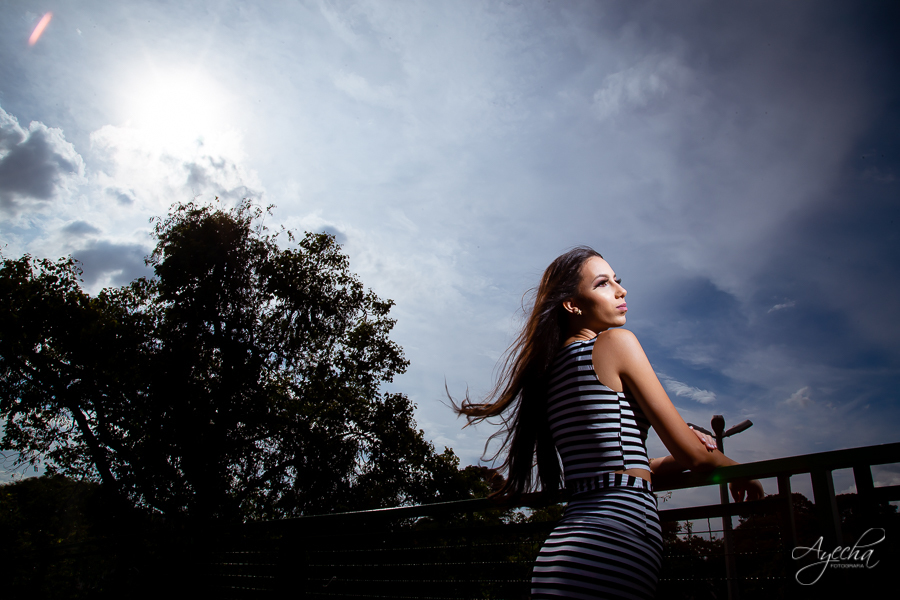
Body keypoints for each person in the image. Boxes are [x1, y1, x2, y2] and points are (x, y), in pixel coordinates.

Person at [453, 246, 764, 600]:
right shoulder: (616, 343)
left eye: (617, 280)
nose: (621, 290)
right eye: (603, 283)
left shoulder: (551, 371)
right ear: (572, 304)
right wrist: (739, 470)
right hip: (614, 542)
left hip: (564, 554)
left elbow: (618, 467)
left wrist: (685, 451)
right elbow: (694, 457)